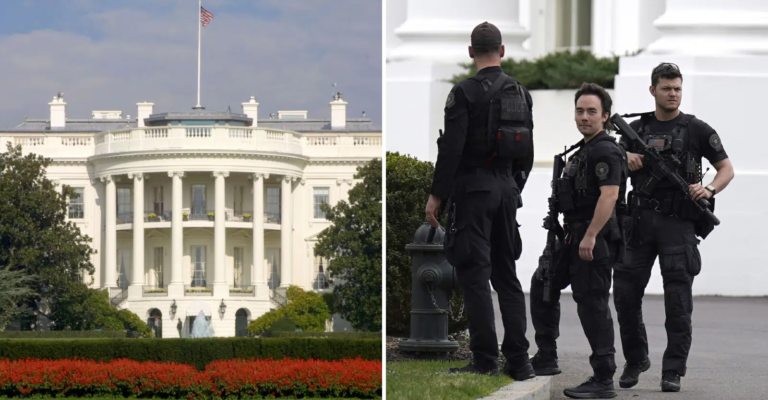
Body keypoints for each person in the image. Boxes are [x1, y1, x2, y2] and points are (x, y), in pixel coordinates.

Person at [613, 63, 735, 393]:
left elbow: (726, 169)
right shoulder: (634, 129)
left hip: (678, 224)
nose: (673, 94)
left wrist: (708, 189)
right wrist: (625, 156)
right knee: (625, 295)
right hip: (639, 222)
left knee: (678, 302)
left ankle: (673, 370)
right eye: (666, 88)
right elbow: (607, 161)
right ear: (653, 90)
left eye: (677, 88)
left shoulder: (696, 129)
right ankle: (636, 359)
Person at [424, 21, 535, 380]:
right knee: (508, 277)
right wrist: (514, 187)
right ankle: (520, 361)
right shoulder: (520, 91)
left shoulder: (463, 93)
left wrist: (436, 196)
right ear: (502, 51)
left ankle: (486, 360)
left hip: (473, 192)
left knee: (474, 275)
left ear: (471, 52)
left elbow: (452, 150)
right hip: (506, 191)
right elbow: (527, 152)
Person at [532, 82, 628, 399]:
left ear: (605, 116)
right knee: (542, 283)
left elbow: (610, 194)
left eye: (591, 111)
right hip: (572, 236)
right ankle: (546, 357)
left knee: (592, 305)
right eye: (580, 111)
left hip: (593, 239)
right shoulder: (583, 149)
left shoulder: (605, 150)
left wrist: (590, 235)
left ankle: (604, 379)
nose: (584, 117)